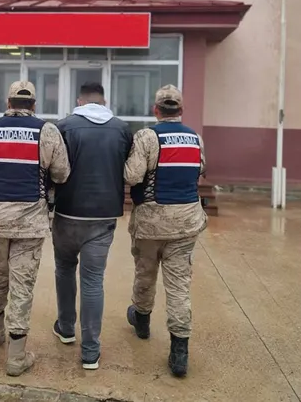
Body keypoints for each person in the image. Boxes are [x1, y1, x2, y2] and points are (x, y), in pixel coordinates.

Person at [0, 81, 70, 377]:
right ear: (33, 105)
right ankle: (16, 357)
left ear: (8, 103)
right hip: (30, 222)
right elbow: (61, 174)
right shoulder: (47, 131)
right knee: (22, 285)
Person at [123, 85, 207, 378]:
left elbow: (132, 175)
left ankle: (142, 321)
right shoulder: (195, 137)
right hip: (186, 222)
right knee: (179, 286)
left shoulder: (147, 136)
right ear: (181, 110)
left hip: (151, 222)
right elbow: (200, 169)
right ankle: (179, 353)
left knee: (145, 274)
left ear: (155, 110)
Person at [51, 82, 132, 370]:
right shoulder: (122, 129)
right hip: (103, 216)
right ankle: (90, 352)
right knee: (93, 280)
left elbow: (53, 170)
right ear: (104, 101)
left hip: (67, 213)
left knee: (64, 268)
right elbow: (128, 169)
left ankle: (66, 328)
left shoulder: (63, 127)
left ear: (79, 101)